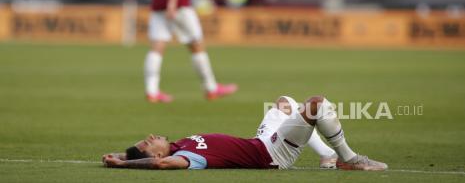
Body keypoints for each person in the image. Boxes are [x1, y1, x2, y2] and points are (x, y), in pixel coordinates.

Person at [102, 95, 388, 171]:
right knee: (316, 105)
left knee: (285, 102)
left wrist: (118, 156)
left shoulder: (179, 144)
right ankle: (349, 158)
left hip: (261, 141)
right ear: (157, 153)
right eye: (148, 143)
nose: (151, 136)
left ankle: (327, 155)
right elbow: (162, 164)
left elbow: (152, 157)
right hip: (272, 153)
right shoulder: (186, 156)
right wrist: (127, 163)